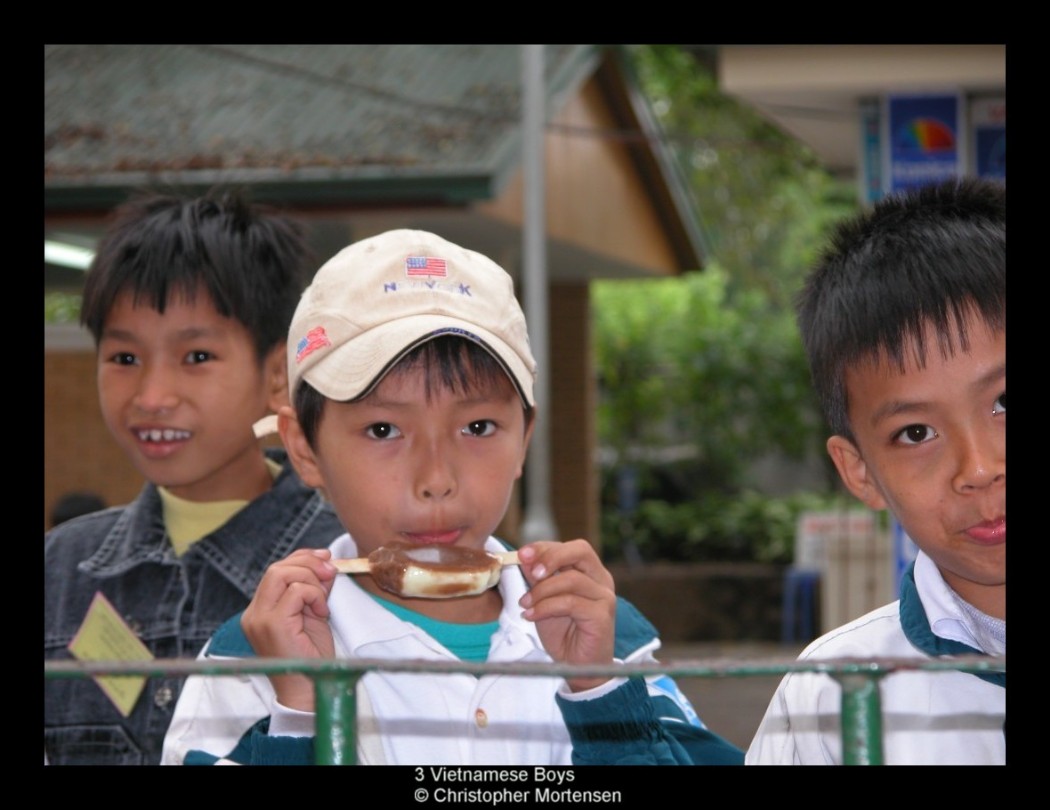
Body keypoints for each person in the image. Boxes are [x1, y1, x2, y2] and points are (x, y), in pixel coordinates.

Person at [161, 228, 744, 766]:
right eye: (384, 430)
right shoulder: (251, 662)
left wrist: (602, 694)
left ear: (524, 442)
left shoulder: (607, 642)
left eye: (479, 428)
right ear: (304, 449)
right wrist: (301, 715)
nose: (436, 478)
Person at [44, 188, 345, 765]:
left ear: (278, 375)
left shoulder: (344, 568)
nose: (152, 397)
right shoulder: (59, 574)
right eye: (125, 358)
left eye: (197, 357)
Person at [746, 177, 1005, 765]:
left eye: (1003, 401)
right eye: (916, 433)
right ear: (858, 471)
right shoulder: (833, 695)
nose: (980, 468)